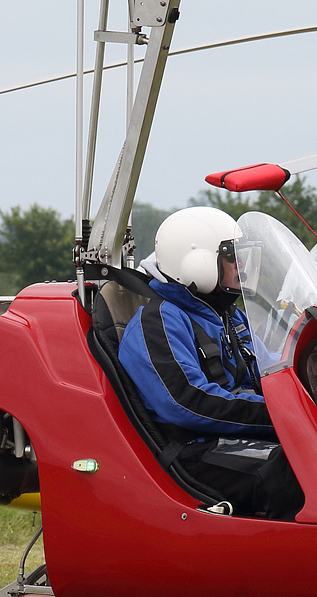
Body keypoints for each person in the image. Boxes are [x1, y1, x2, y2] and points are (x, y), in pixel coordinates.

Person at [118, 206, 300, 518]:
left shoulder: (228, 314)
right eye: (233, 256)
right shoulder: (160, 322)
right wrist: (278, 416)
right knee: (295, 476)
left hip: (230, 438)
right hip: (194, 451)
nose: (242, 266)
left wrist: (309, 396)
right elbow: (188, 402)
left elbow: (273, 372)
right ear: (196, 262)